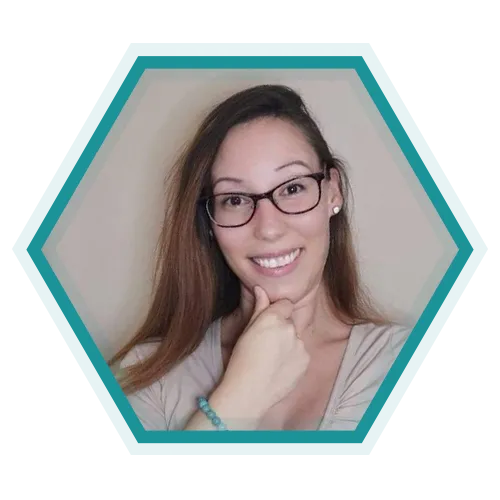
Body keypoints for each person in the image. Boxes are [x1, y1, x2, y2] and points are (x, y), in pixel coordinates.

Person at [108, 83, 412, 431]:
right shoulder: (143, 375)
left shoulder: (400, 362)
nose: (268, 228)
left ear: (333, 191)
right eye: (235, 199)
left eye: (293, 188)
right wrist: (240, 398)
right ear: (209, 222)